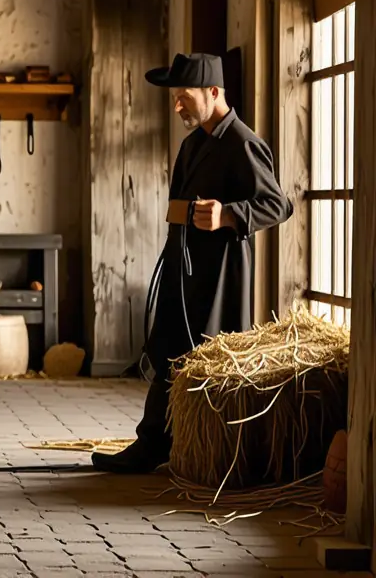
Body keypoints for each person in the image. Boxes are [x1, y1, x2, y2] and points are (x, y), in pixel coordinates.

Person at [92, 52, 295, 474]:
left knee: (208, 362)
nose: (177, 106)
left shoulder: (243, 142)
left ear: (214, 92)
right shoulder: (193, 143)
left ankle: (219, 457)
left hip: (219, 274)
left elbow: (278, 204)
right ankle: (152, 446)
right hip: (182, 268)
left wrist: (228, 215)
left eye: (184, 97)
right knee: (168, 349)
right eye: (175, 98)